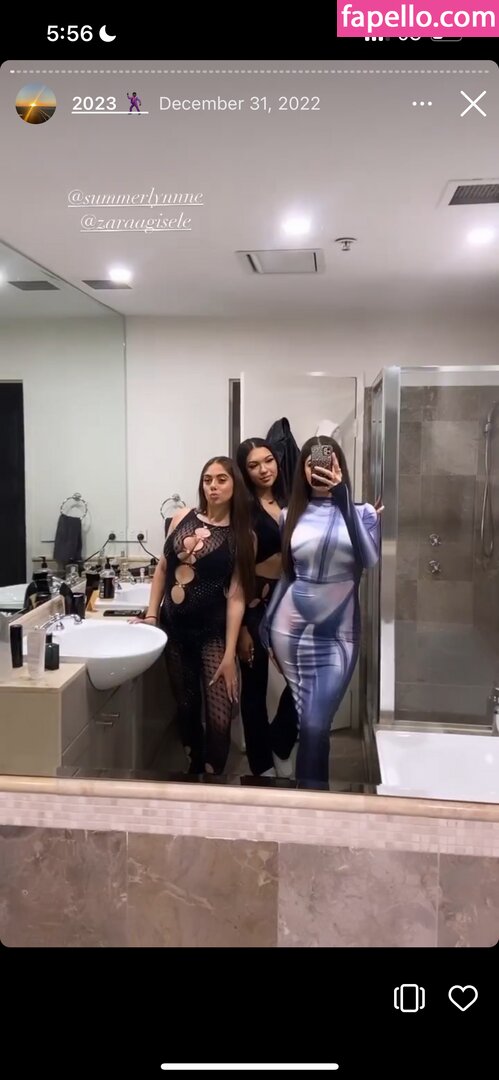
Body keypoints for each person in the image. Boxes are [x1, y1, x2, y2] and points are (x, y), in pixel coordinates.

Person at [261, 436, 382, 786]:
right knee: (308, 723)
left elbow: (370, 559)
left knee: (315, 725)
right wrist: (267, 623)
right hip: (289, 630)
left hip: (339, 633)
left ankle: (311, 802)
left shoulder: (364, 513)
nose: (319, 469)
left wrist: (342, 496)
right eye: (311, 463)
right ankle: (310, 798)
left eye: (327, 462)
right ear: (302, 470)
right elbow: (289, 574)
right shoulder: (289, 515)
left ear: (339, 465)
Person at [142, 457, 254, 775]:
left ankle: (213, 777)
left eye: (221, 479)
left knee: (220, 715)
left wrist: (230, 653)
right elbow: (163, 568)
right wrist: (151, 616)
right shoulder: (182, 517)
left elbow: (237, 597)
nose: (213, 486)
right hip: (175, 629)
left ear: (235, 485)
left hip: (212, 633)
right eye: (208, 480)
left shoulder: (242, 535)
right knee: (187, 707)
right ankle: (195, 768)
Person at [235, 439, 298, 776]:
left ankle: (280, 739)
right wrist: (244, 625)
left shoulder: (292, 501)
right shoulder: (244, 509)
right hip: (255, 602)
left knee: (303, 679)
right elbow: (240, 570)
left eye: (268, 460)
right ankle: (261, 768)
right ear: (245, 472)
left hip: (290, 601)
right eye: (254, 465)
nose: (264, 470)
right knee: (254, 686)